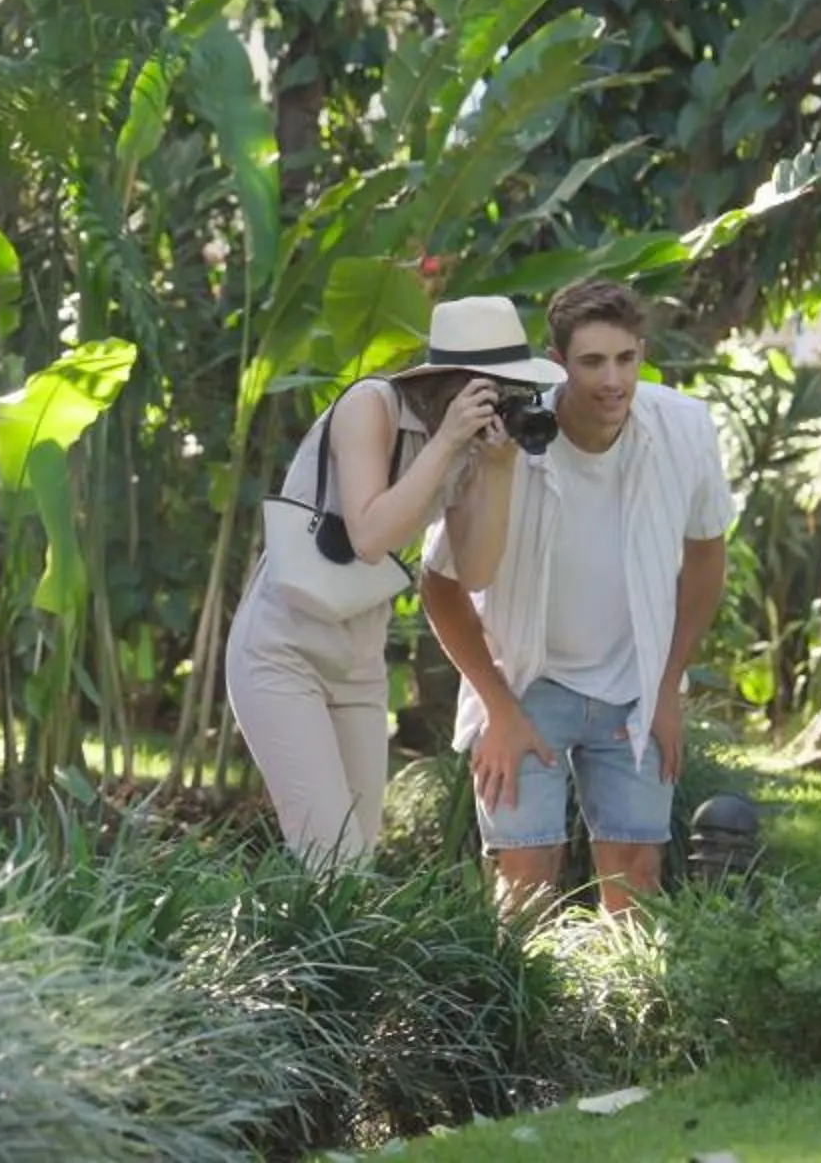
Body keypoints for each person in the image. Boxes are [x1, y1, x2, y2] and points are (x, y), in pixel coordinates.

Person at [419, 278, 734, 914]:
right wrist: (498, 708)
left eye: (626, 359)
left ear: (642, 353)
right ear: (559, 364)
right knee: (525, 876)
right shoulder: (505, 438)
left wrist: (670, 685)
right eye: (592, 362)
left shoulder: (684, 428)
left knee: (637, 877)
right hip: (525, 683)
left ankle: (623, 1010)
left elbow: (706, 559)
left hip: (635, 683)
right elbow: (441, 585)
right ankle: (522, 1011)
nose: (613, 380)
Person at [227, 295, 548, 870]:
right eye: (497, 386)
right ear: (457, 380)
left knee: (356, 864)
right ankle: (289, 961)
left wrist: (497, 470)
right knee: (330, 858)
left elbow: (475, 572)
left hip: (359, 658)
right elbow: (370, 536)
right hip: (282, 649)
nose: (504, 401)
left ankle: (332, 963)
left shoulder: (475, 449)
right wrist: (448, 441)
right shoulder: (369, 407)